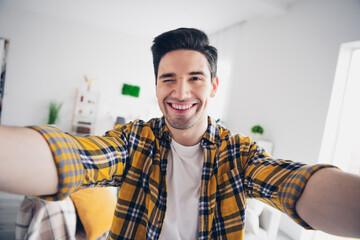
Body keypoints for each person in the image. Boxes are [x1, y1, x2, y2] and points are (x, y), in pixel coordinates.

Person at [0, 28, 359, 240]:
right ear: (156, 86)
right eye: (168, 78)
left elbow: (293, 184)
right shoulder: (134, 140)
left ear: (214, 85)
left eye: (195, 79)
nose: (181, 93)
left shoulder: (238, 154)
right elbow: (73, 157)